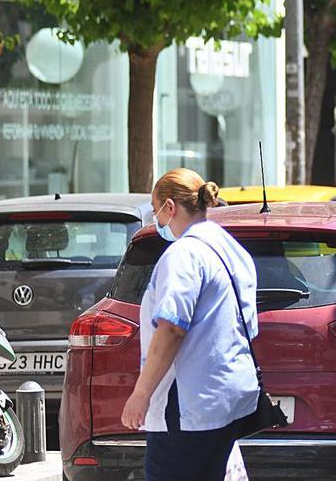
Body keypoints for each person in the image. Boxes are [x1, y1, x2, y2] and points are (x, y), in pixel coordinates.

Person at [120, 169, 259, 481]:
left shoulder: (183, 254)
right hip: (228, 397)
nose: (155, 220)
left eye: (155, 211)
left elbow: (171, 328)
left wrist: (141, 394)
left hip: (188, 403)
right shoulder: (230, 247)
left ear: (170, 207)